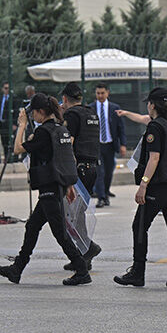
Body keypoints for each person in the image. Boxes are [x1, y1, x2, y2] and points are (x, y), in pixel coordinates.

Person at [0, 94, 91, 286]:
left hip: (49, 187)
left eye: (33, 113)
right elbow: (66, 158)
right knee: (33, 226)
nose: (32, 117)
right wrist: (68, 185)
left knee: (59, 232)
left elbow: (17, 149)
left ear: (40, 112)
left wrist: (21, 125)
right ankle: (17, 268)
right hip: (57, 185)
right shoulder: (60, 130)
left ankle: (81, 269)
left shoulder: (44, 132)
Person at [114, 88, 167, 288]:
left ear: (153, 105)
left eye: (148, 103)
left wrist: (143, 185)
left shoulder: (156, 127)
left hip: (159, 186)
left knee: (139, 225)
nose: (147, 106)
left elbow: (154, 158)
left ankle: (137, 272)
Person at [61, 82, 103, 273]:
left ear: (64, 99)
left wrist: (67, 173)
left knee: (70, 215)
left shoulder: (72, 115)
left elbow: (68, 145)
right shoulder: (92, 113)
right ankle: (83, 255)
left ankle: (87, 248)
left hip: (79, 169)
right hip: (92, 168)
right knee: (77, 214)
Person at [93, 83, 126, 208]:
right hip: (97, 145)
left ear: (107, 93)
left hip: (110, 144)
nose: (100, 96)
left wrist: (123, 144)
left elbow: (120, 128)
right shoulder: (91, 108)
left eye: (102, 93)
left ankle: (105, 194)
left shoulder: (114, 108)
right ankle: (101, 197)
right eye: (98, 93)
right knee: (99, 172)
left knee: (108, 172)